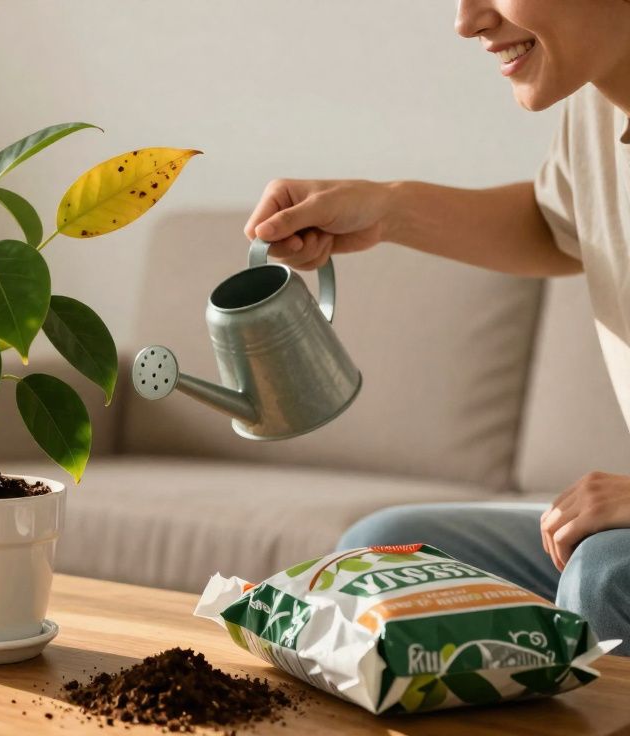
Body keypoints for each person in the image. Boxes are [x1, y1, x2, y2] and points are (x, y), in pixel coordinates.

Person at [243, 0, 630, 653]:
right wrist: (385, 210)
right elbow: (559, 227)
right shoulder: (596, 107)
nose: (468, 19)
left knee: (605, 581)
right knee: (381, 555)